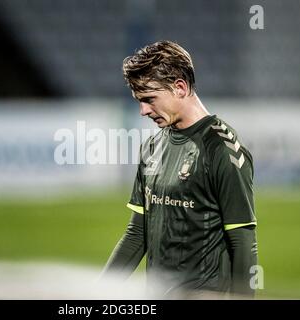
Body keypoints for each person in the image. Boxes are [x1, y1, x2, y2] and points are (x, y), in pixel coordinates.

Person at [101, 40, 258, 299]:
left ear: (180, 87)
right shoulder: (151, 147)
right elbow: (137, 233)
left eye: (149, 99)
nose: (143, 111)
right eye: (139, 101)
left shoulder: (223, 150)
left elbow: (242, 241)